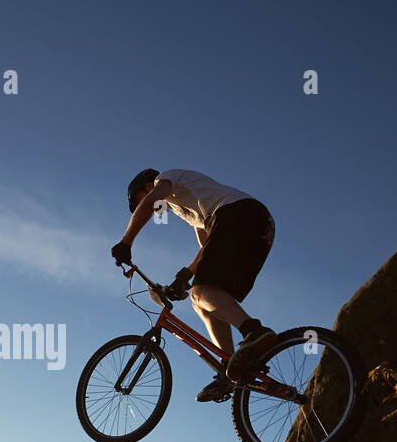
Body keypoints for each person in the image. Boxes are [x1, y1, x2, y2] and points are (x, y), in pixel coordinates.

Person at [111, 168, 278, 402]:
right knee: (204, 301)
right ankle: (230, 366)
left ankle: (254, 331)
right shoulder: (192, 210)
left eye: (139, 201)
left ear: (148, 186)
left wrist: (125, 242)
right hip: (260, 226)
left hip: (239, 214)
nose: (147, 206)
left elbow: (150, 202)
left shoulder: (165, 179)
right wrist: (184, 277)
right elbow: (208, 248)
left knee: (201, 293)